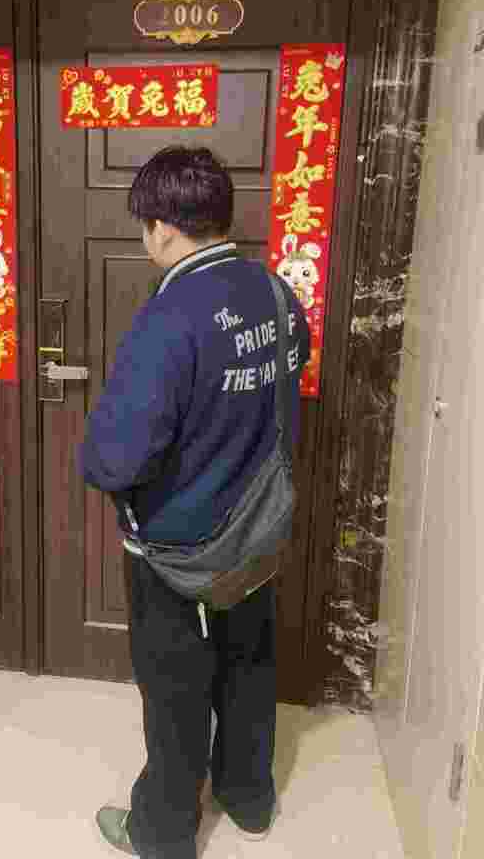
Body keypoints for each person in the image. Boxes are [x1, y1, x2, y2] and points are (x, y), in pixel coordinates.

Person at [80, 147, 310, 859]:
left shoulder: (168, 318)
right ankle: (249, 799)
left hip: (180, 550)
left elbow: (113, 459)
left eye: (145, 225)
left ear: (162, 227)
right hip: (260, 530)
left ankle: (163, 833)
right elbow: (284, 377)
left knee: (175, 693)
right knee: (249, 667)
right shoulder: (276, 294)